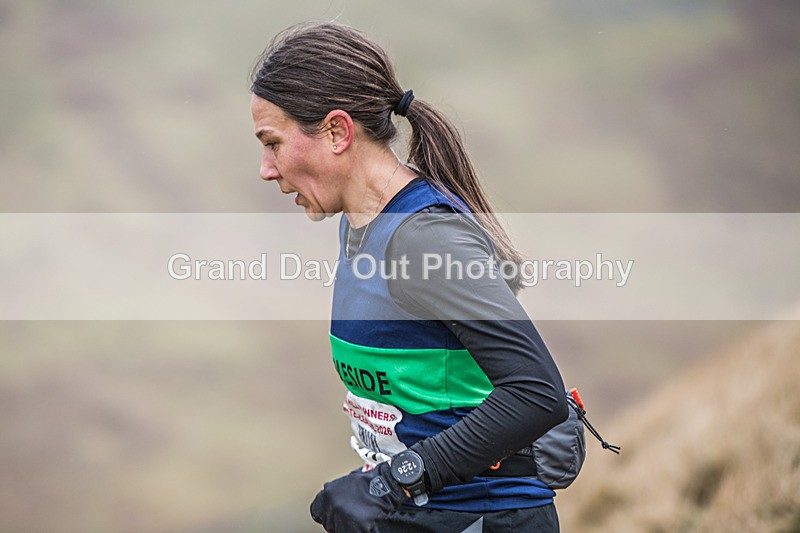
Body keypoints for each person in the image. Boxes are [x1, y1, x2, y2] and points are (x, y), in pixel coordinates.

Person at [250, 21, 568, 533]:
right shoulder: (360, 227)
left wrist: (389, 482)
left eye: (273, 143)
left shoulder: (423, 239)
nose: (266, 168)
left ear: (336, 131)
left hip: (484, 518)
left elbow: (535, 394)